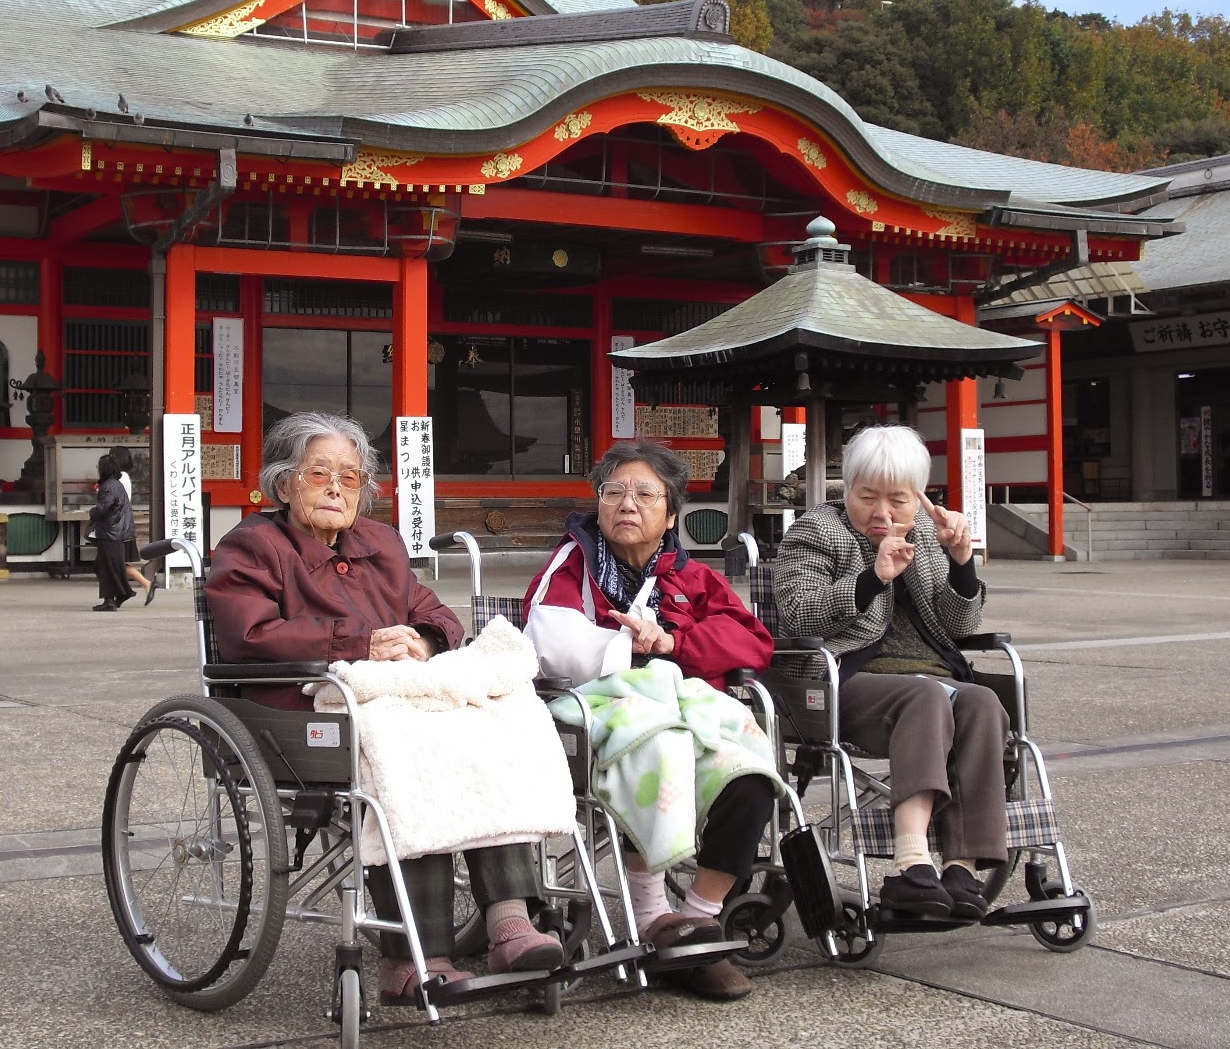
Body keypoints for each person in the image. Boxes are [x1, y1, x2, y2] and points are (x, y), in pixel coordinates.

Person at [204, 412, 564, 1005]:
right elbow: (250, 635)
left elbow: (436, 613)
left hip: (394, 700)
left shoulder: (381, 543)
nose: (336, 487)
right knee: (407, 750)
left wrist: (424, 640)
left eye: (350, 476)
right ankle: (413, 959)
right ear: (284, 483)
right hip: (300, 707)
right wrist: (358, 645)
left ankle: (510, 924)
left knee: (482, 730)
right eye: (318, 473)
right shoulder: (252, 546)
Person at [522, 440, 777, 1002]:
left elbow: (751, 640)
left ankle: (700, 921)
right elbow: (548, 639)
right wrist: (626, 648)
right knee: (660, 746)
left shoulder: (690, 576)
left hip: (685, 709)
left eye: (645, 494)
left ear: (671, 514)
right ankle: (653, 916)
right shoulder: (572, 565)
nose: (627, 504)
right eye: (613, 491)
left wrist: (672, 643)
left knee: (752, 773)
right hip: (600, 707)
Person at [770, 424, 1008, 921]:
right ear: (848, 488)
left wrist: (961, 562)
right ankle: (910, 862)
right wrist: (872, 578)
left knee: (983, 701)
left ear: (918, 496)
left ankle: (962, 868)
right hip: (841, 680)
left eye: (898, 500)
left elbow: (960, 626)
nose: (882, 513)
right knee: (925, 697)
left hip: (929, 679)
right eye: (867, 497)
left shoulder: (926, 534)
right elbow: (799, 616)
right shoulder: (817, 532)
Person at [109, 445, 156, 604]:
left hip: (117, 525)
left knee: (113, 561)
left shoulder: (120, 477)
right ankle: (129, 589)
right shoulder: (123, 477)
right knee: (113, 561)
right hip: (121, 524)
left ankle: (139, 585)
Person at [88, 453, 134, 612]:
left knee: (106, 566)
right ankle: (120, 593)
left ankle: (112, 599)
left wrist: (93, 512)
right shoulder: (116, 484)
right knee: (107, 566)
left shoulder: (108, 486)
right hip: (116, 530)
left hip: (110, 531)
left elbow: (103, 509)